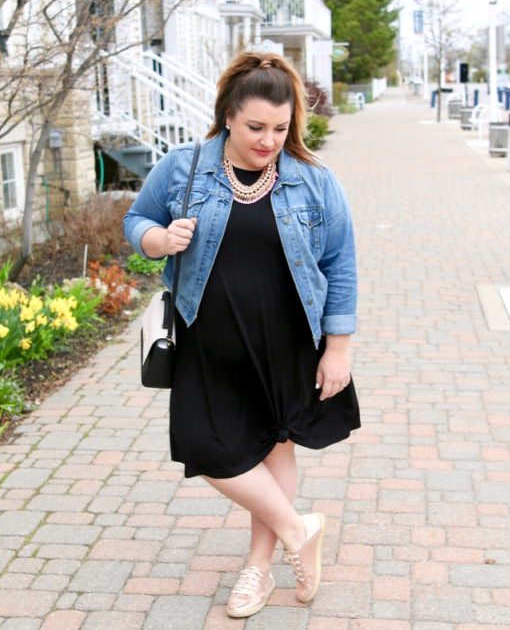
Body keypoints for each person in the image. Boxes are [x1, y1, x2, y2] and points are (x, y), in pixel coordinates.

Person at [123, 51, 360, 618]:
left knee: (275, 442)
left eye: (280, 128)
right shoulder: (183, 166)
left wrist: (339, 347)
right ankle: (299, 529)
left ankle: (260, 567)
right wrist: (159, 241)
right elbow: (136, 221)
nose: (269, 140)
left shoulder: (314, 180)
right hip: (208, 335)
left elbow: (341, 265)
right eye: (256, 127)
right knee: (207, 447)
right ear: (229, 115)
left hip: (286, 337)